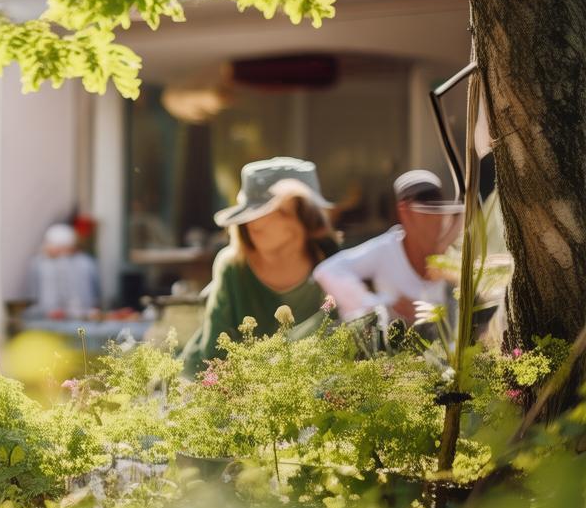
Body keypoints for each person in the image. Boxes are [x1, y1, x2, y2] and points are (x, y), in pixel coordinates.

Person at [180, 157, 338, 376]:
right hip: (223, 385)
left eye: (275, 211)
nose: (256, 221)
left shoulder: (334, 265)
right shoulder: (232, 266)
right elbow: (214, 354)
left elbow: (345, 345)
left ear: (304, 217)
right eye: (252, 210)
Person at [313, 169, 464, 327]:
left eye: (438, 210)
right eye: (426, 212)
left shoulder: (454, 254)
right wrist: (383, 306)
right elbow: (327, 271)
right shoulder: (386, 249)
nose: (436, 219)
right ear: (404, 212)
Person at [24, 223, 101, 319]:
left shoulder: (84, 263)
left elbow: (94, 290)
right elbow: (34, 293)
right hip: (48, 315)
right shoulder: (39, 263)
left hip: (81, 315)